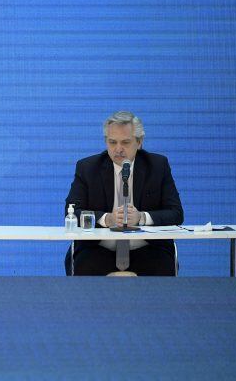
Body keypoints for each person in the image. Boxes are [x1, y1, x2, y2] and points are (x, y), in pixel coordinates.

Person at [64, 111, 183, 276]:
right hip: (98, 249)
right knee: (84, 268)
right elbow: (72, 212)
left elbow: (176, 213)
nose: (118, 149)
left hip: (148, 249)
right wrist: (107, 219)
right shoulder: (88, 168)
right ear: (106, 142)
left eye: (125, 142)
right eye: (112, 142)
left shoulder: (157, 166)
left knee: (161, 269)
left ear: (139, 142)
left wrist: (142, 217)